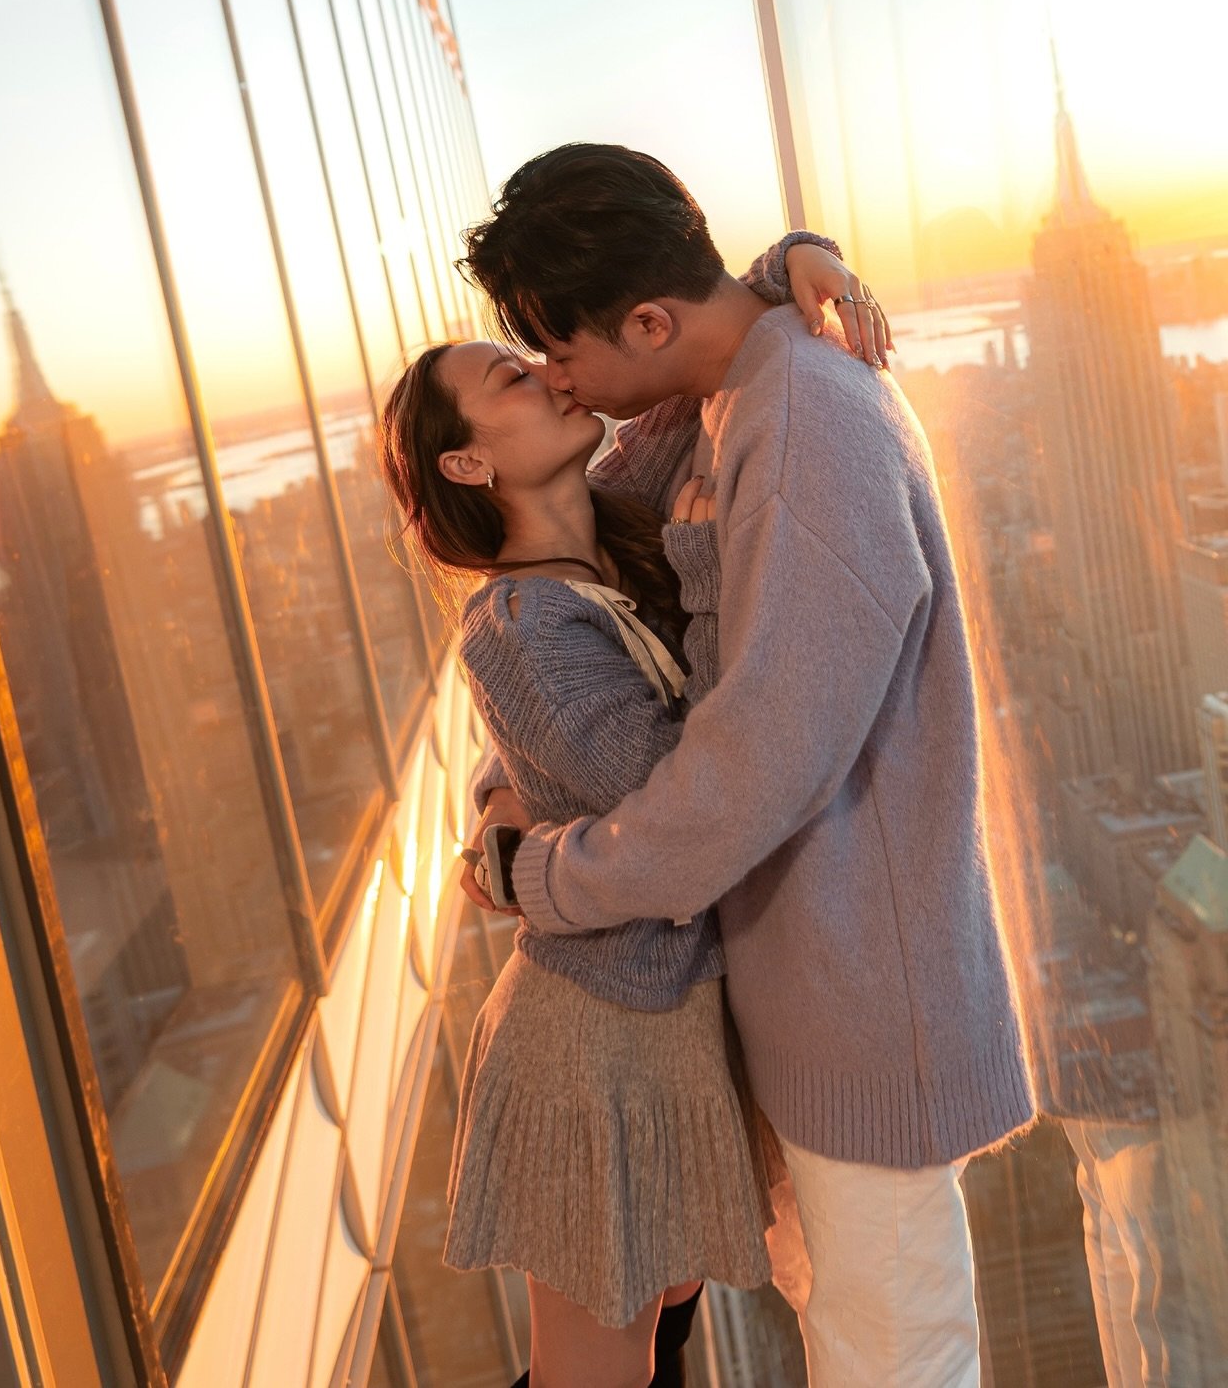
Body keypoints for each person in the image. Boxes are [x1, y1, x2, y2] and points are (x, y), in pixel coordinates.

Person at [463, 142, 1036, 1388]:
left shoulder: (811, 427)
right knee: (855, 1338)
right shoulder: (728, 392)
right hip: (809, 984)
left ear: (651, 321)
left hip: (865, 1002)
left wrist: (548, 878)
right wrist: (788, 265)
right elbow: (563, 585)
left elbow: (755, 765)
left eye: (563, 351)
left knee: (895, 1356)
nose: (559, 380)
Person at [379, 223, 870, 1388]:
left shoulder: (603, 519)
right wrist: (518, 859)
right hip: (593, 1044)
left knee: (662, 1328)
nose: (547, 372)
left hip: (663, 1023)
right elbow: (682, 810)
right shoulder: (524, 625)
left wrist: (789, 257)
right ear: (467, 464)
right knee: (596, 1372)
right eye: (509, 377)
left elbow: (685, 348)